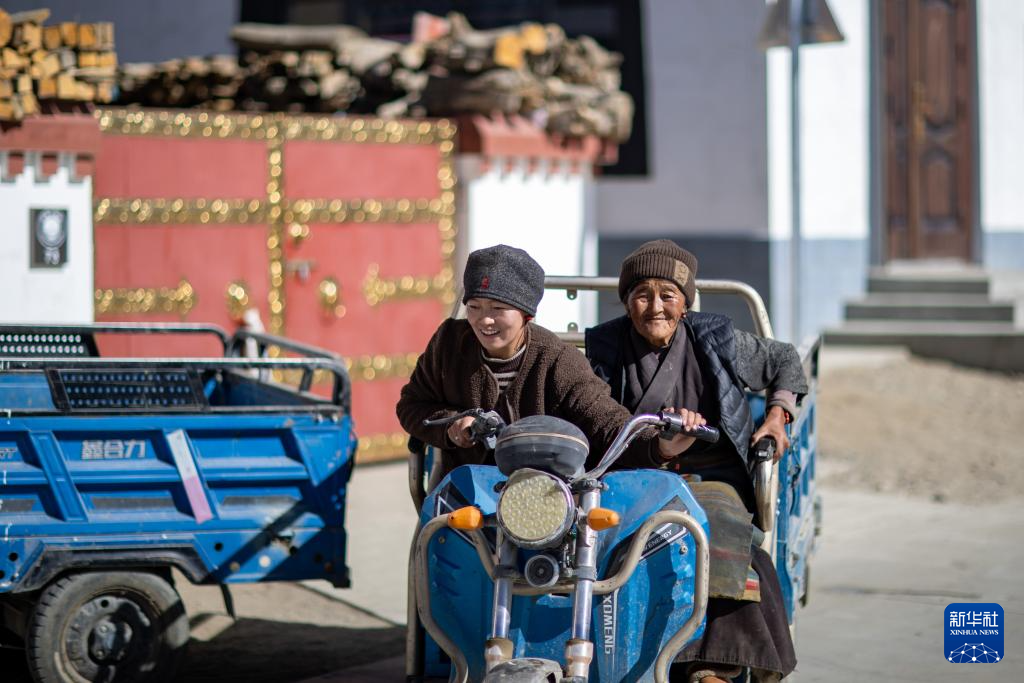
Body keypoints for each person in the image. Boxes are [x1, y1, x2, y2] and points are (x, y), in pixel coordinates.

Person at [585, 239, 807, 683]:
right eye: (642, 295)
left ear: (685, 303)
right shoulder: (605, 346)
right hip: (636, 475)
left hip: (709, 474)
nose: (655, 307)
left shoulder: (717, 339)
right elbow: (591, 413)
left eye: (667, 295)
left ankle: (711, 666)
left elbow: (784, 359)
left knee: (716, 533)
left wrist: (777, 417)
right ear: (627, 303)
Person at [396, 244, 706, 484]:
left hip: (542, 495)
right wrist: (451, 426)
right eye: (474, 307)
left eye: (498, 308)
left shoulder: (557, 360)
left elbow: (606, 422)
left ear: (526, 314)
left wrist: (661, 447)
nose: (483, 320)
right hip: (465, 489)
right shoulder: (449, 342)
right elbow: (412, 405)